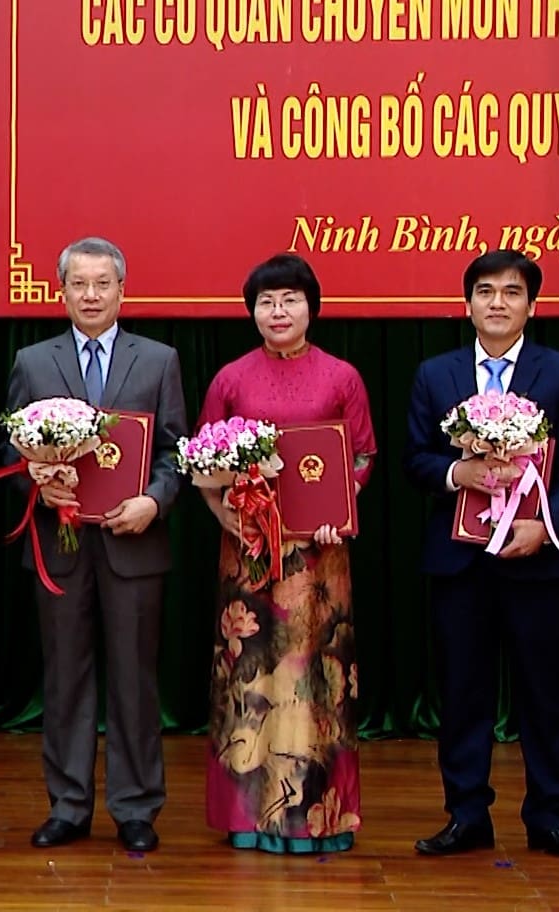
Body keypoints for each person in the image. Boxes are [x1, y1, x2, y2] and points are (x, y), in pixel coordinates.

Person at [404, 250, 559, 862]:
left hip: (535, 559)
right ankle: (466, 815)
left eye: (511, 292)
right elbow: (416, 460)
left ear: (531, 306)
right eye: (485, 291)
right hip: (458, 561)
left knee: (544, 693)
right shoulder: (435, 375)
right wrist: (458, 471)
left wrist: (544, 527)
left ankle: (550, 816)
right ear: (467, 305)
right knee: (462, 691)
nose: (497, 302)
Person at [4, 236, 187, 853]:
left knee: (135, 680)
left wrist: (155, 500)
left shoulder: (159, 360)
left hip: (135, 544)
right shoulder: (32, 361)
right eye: (78, 284)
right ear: (61, 291)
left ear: (121, 290)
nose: (90, 294)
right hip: (61, 547)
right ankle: (69, 804)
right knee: (65, 677)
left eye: (102, 283)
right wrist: (38, 483)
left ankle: (136, 808)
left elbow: (175, 451)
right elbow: (11, 451)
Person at [198, 253, 376, 853]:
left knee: (314, 682)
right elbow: (203, 463)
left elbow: (361, 458)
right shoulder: (229, 378)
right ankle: (248, 818)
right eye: (266, 301)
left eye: (290, 299)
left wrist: (339, 509)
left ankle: (316, 820)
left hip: (319, 562)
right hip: (248, 556)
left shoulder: (342, 376)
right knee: (248, 674)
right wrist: (225, 514)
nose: (278, 311)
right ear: (252, 311)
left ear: (311, 308)